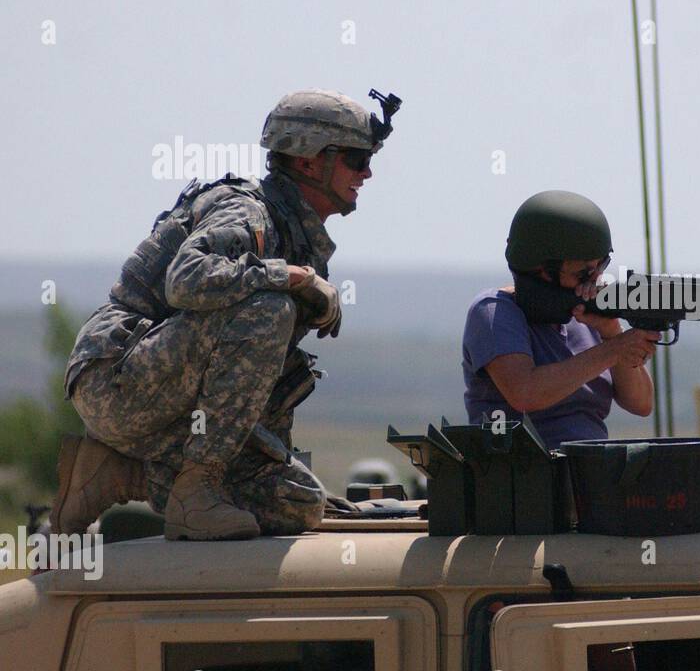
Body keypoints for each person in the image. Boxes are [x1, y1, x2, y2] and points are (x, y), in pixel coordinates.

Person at [52, 88, 399, 541]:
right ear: (309, 160)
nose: (367, 172)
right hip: (116, 377)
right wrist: (294, 277)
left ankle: (121, 474)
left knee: (299, 502)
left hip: (167, 394)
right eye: (356, 158)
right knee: (268, 311)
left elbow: (256, 378)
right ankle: (197, 491)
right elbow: (187, 278)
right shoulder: (248, 211)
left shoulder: (294, 230)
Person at [462, 190, 659, 449]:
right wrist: (613, 350)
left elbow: (641, 403)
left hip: (588, 473)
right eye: (583, 272)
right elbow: (525, 392)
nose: (594, 279)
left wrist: (611, 330)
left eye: (600, 268)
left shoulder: (585, 319)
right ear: (541, 270)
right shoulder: (494, 312)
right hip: (523, 476)